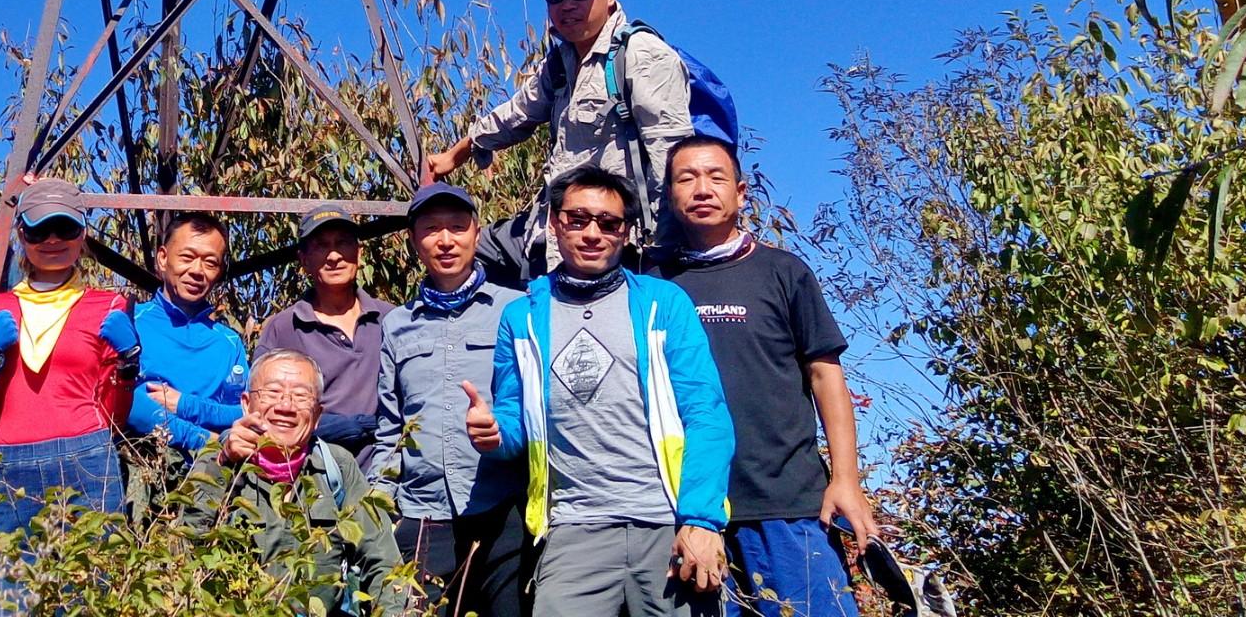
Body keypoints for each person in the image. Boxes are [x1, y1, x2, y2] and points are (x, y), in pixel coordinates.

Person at [469, 165, 735, 617]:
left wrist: (701, 519)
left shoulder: (663, 302)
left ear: (626, 232)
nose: (592, 233)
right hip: (573, 530)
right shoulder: (522, 317)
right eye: (578, 218)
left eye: (609, 223)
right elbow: (517, 418)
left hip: (667, 526)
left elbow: (706, 413)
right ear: (555, 222)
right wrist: (495, 434)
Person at [644, 136, 875, 617]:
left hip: (785, 504)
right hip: (681, 510)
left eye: (715, 177)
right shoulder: (648, 280)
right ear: (668, 196)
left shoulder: (783, 272)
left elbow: (825, 376)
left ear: (741, 192)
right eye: (686, 179)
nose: (702, 189)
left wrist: (846, 480)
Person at [426, 0, 694, 288]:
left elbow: (673, 161)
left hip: (616, 243)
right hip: (554, 234)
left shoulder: (642, 56)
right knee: (460, 249)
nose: (566, 4)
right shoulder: (560, 63)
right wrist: (456, 153)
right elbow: (516, 113)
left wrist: (664, 259)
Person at [0, 178, 141, 612]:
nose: (53, 240)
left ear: (82, 233)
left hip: (89, 462)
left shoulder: (111, 305)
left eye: (65, 229)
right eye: (39, 230)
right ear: (21, 234)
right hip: (10, 464)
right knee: (3, 604)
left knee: (90, 600)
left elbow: (115, 419)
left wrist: (129, 363)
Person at [370, 183, 533, 617]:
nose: (445, 240)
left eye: (457, 228)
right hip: (421, 517)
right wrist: (377, 506)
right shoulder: (397, 325)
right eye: (431, 229)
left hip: (501, 510)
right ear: (414, 241)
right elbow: (390, 426)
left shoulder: (517, 310)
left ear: (476, 235)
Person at [183, 351, 415, 617]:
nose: (285, 406)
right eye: (272, 392)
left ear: (317, 415)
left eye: (301, 396)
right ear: (247, 404)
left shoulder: (336, 467)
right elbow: (183, 551)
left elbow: (383, 562)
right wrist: (223, 463)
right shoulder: (216, 462)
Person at [126, 211, 250, 516]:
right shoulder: (129, 322)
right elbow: (124, 403)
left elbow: (245, 413)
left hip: (211, 483)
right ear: (163, 258)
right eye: (187, 257)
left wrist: (184, 405)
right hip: (137, 474)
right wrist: (203, 437)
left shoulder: (229, 342)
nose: (197, 271)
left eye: (210, 262)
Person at [255, 205, 392, 456]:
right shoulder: (284, 328)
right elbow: (262, 409)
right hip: (310, 474)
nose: (334, 256)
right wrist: (344, 427)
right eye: (321, 246)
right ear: (304, 260)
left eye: (343, 243)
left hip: (386, 474)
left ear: (358, 254)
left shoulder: (392, 320)